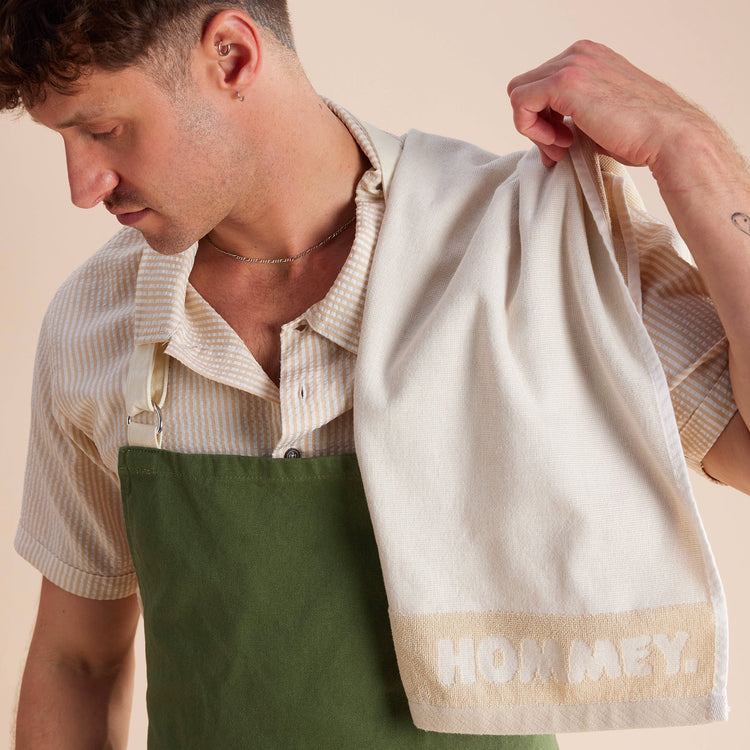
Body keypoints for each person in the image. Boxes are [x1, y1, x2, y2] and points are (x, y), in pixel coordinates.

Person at [2, 1, 749, 748]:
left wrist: (694, 151)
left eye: (102, 130)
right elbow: (78, 663)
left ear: (231, 55)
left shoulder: (532, 253)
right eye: (64, 139)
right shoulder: (94, 320)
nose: (83, 184)